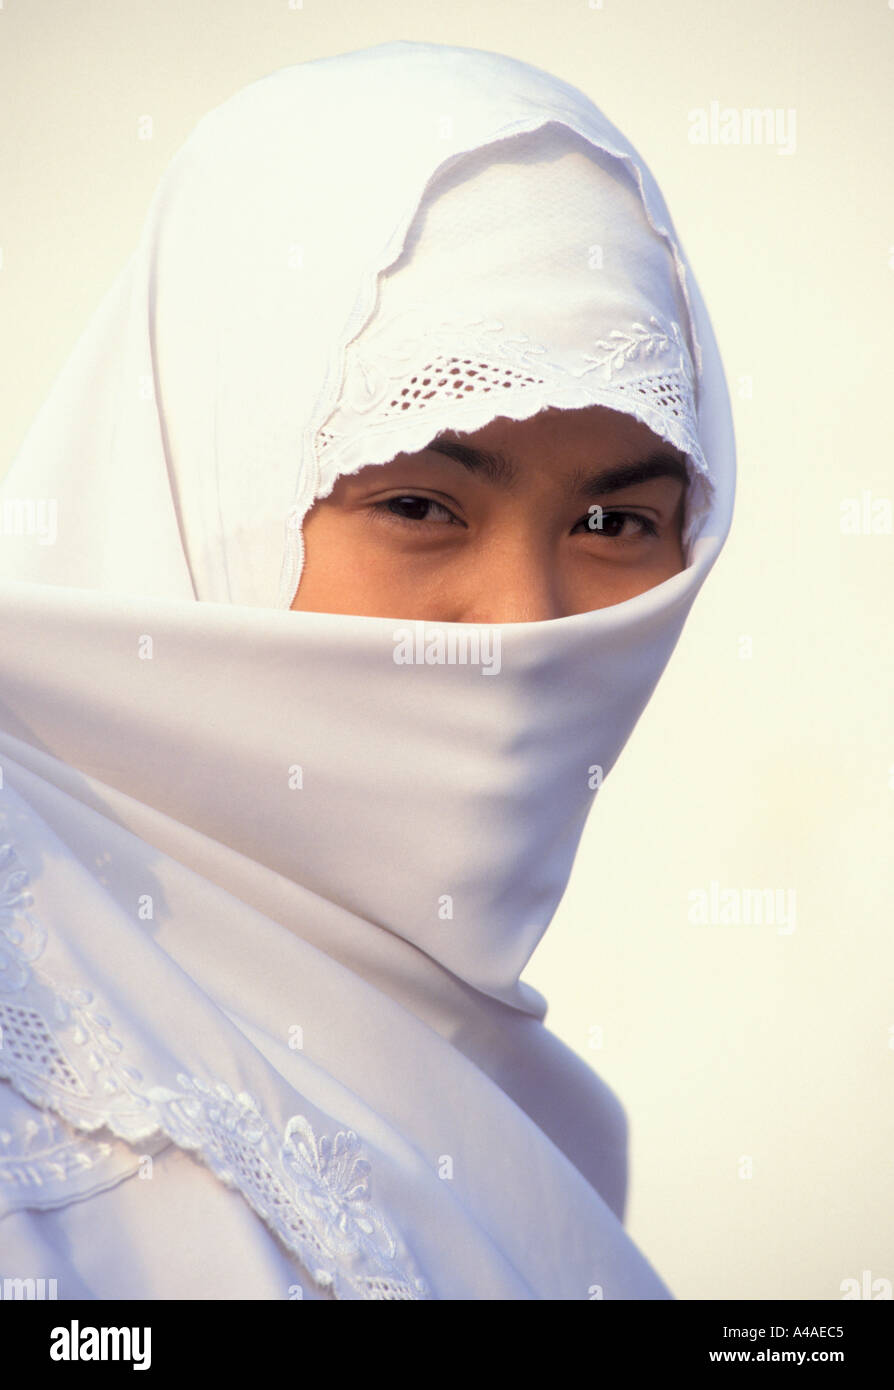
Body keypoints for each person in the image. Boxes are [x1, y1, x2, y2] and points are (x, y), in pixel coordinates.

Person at [0, 40, 735, 1300]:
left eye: (615, 525)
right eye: (418, 501)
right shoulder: (42, 1049)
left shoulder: (531, 1140)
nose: (518, 623)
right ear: (203, 483)